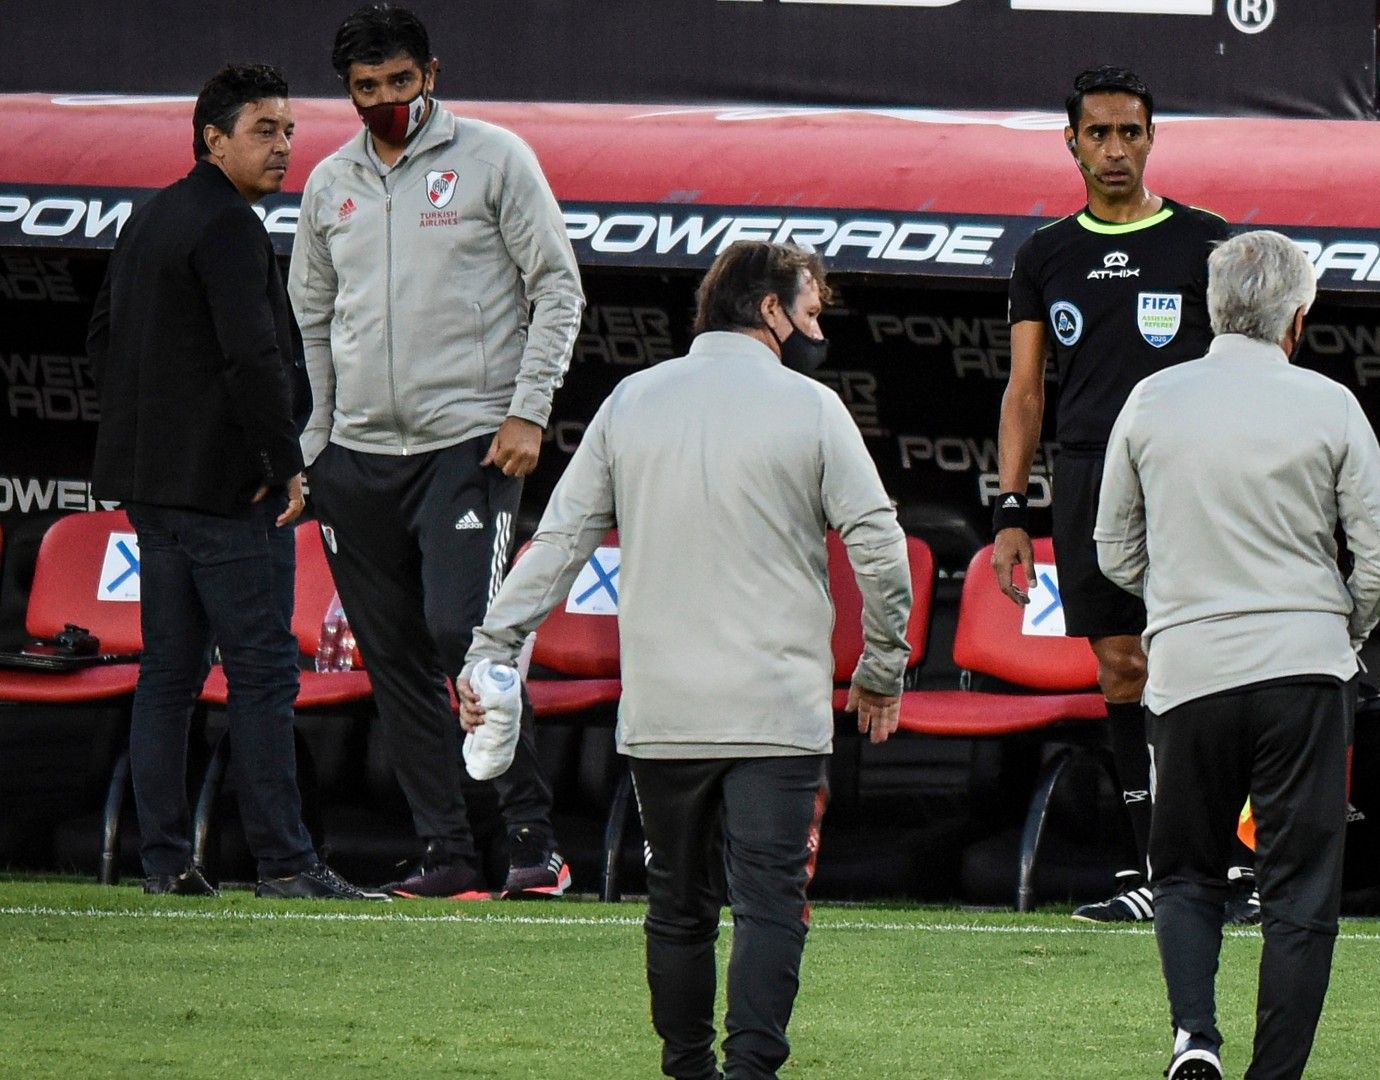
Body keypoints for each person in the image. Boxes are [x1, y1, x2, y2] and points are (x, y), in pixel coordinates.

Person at [460, 240, 913, 1080]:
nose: (819, 331)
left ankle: (687, 1068)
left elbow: (557, 543)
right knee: (771, 904)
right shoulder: (813, 408)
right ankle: (749, 1073)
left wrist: (493, 645)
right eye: (812, 313)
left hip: (664, 716)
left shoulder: (632, 400)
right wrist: (883, 666)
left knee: (677, 908)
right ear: (771, 311)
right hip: (778, 713)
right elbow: (880, 550)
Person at [289, 3, 586, 899]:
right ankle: (447, 852)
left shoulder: (496, 158)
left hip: (470, 446)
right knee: (393, 658)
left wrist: (528, 413)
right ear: (347, 90)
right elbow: (308, 322)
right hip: (355, 461)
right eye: (366, 88)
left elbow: (558, 290)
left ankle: (534, 840)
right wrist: (314, 450)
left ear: (433, 73)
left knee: (469, 636)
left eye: (400, 82)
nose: (384, 100)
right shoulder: (329, 182)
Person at [1096, 230, 1380, 1080]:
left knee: (1186, 870)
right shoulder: (1330, 402)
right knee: (1300, 894)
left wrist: (1179, 601)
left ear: (1210, 307)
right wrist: (1343, 635)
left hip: (1190, 672)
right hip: (1304, 669)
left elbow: (1113, 550)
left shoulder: (1152, 399)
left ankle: (1194, 1037)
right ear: (1298, 319)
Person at [88, 63, 383, 902]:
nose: (284, 146)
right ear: (212, 138)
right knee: (261, 677)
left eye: (289, 130)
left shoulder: (151, 217)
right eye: (264, 130)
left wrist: (157, 438)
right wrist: (282, 464)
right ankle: (286, 863)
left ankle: (164, 863)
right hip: (225, 497)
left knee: (169, 677)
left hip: (156, 491)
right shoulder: (228, 227)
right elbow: (253, 358)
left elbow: (102, 339)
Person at [996, 66, 1233, 924]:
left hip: (1190, 473)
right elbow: (1026, 392)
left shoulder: (1208, 242)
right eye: (1097, 133)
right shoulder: (1045, 254)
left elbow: (1258, 365)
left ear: (1152, 138)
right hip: (1091, 476)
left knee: (1202, 670)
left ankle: (1225, 867)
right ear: (1071, 141)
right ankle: (1156, 875)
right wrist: (1011, 512)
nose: (1114, 149)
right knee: (1122, 667)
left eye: (1130, 132)